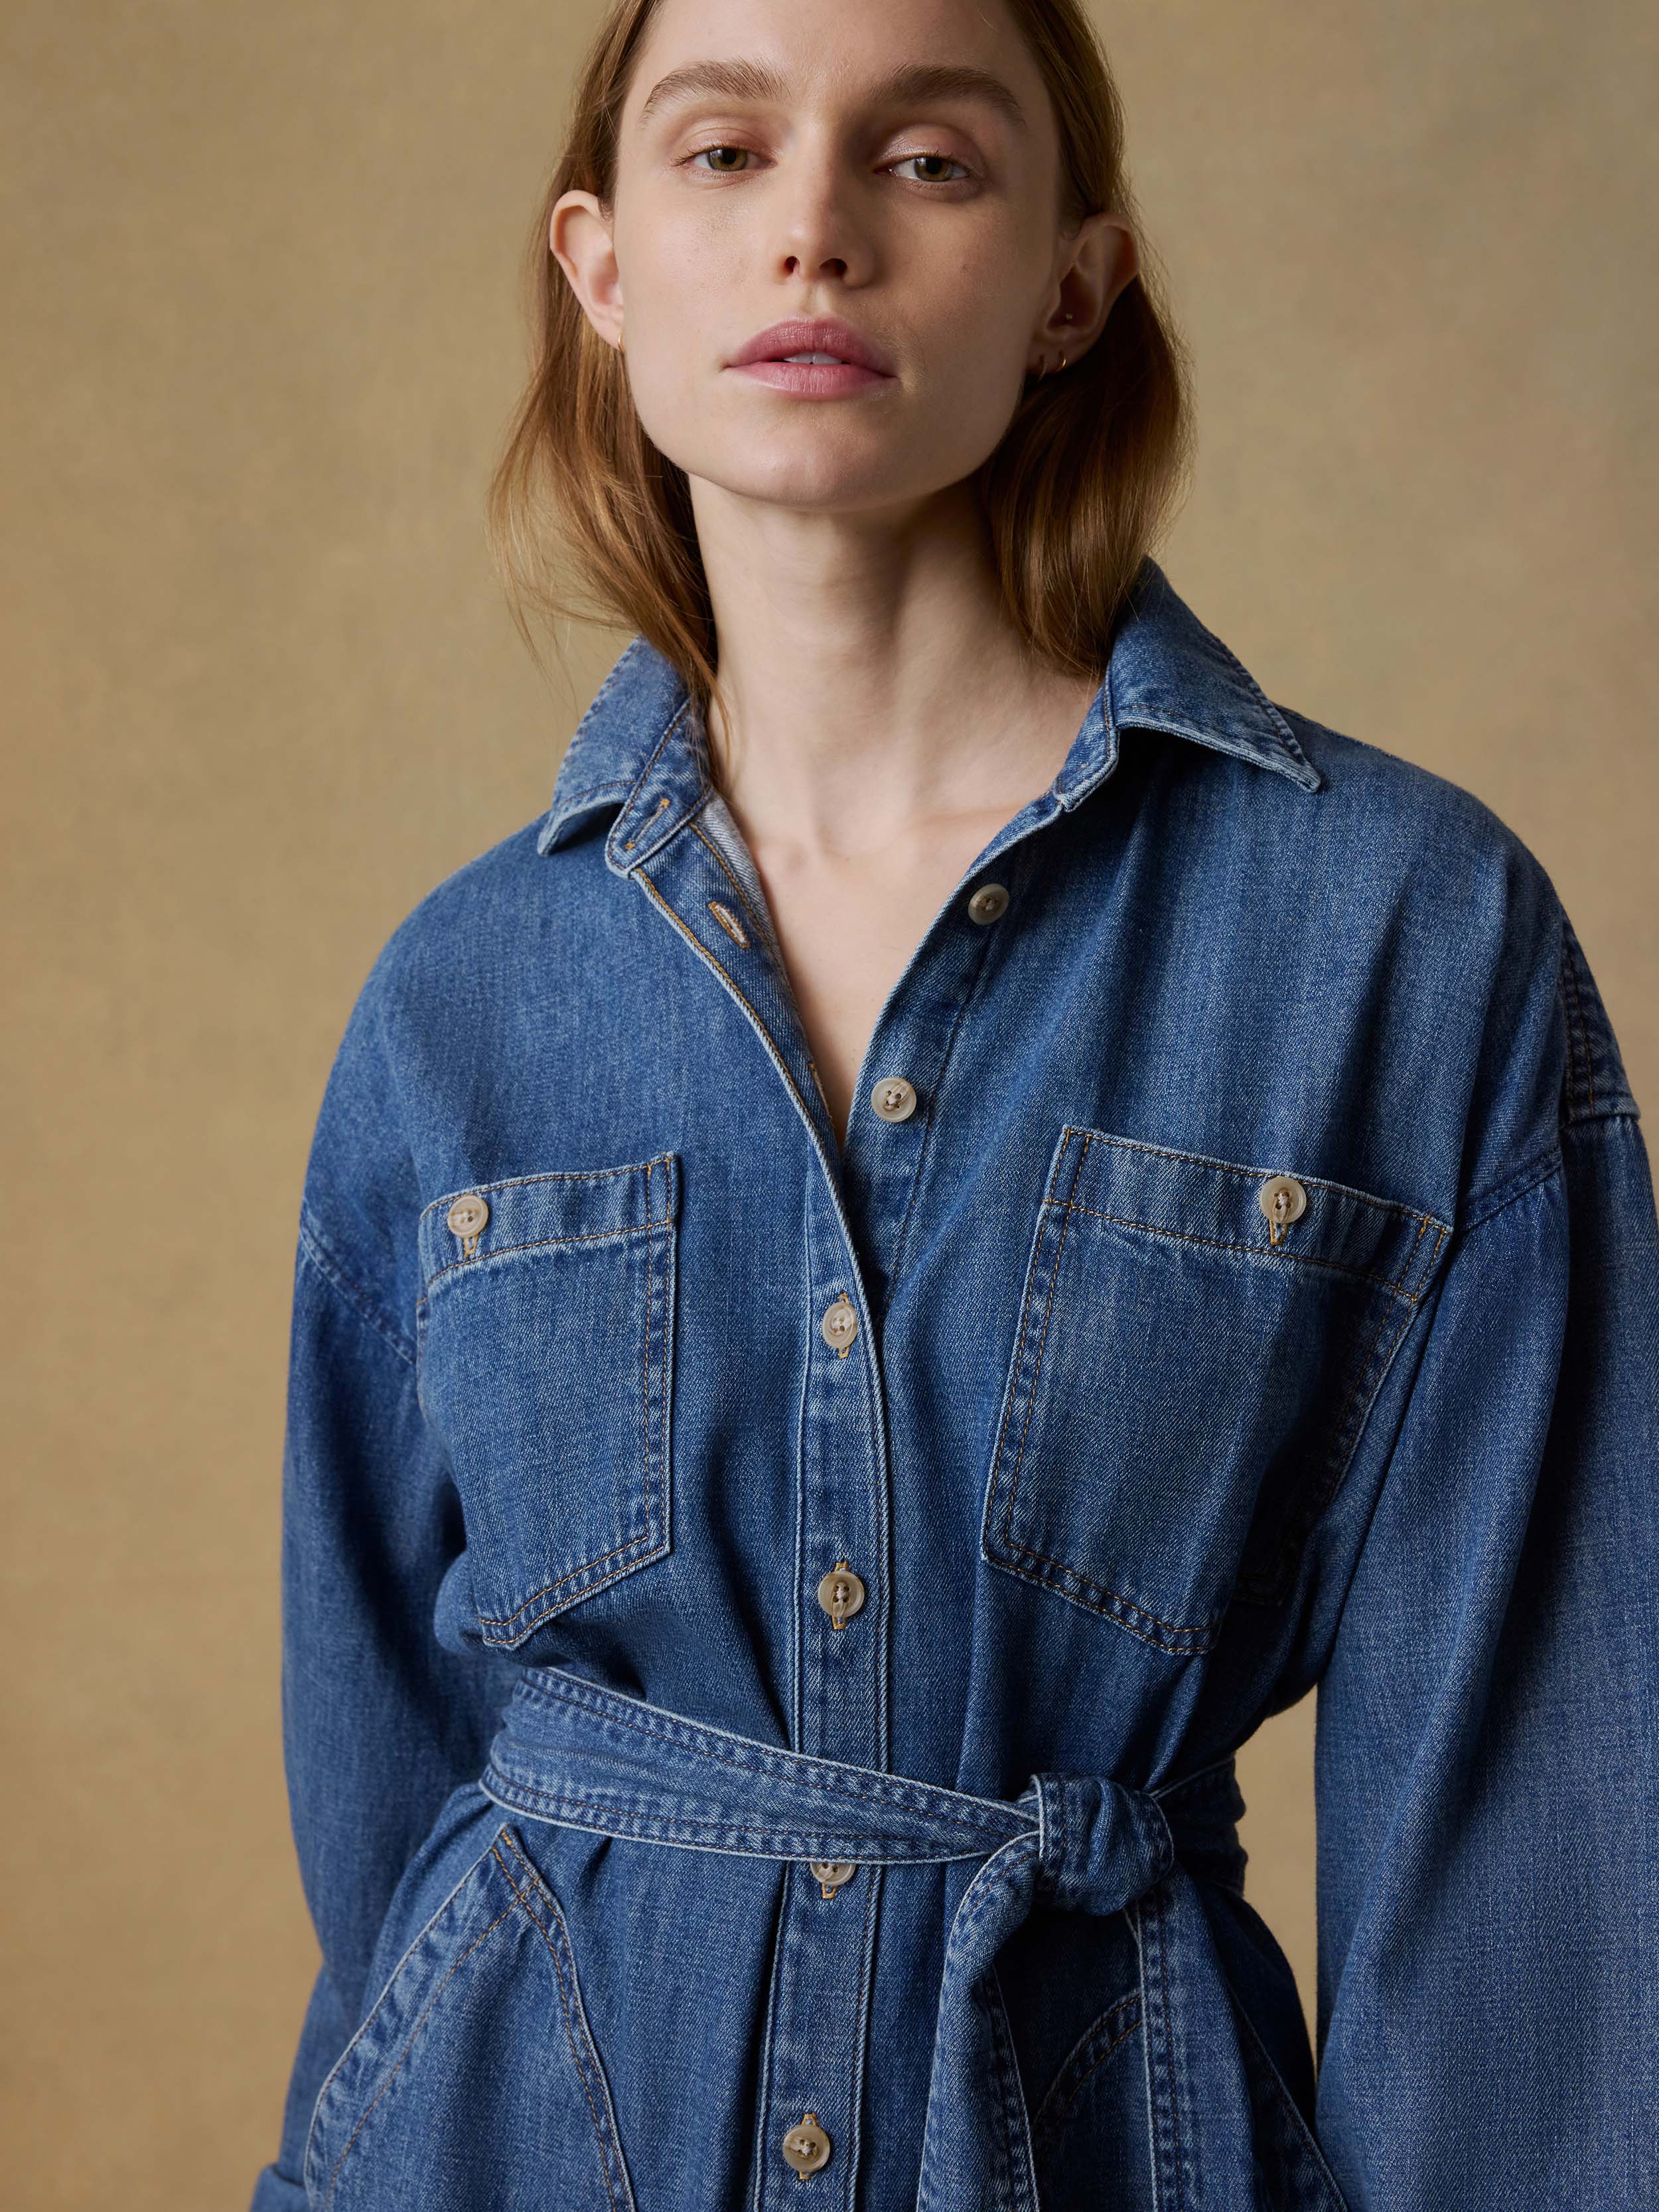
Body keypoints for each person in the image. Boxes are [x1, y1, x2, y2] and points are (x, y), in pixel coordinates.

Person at [249, 1, 1659, 2207]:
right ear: (599, 269)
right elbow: (392, 1805)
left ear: (1074, 285)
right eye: (723, 155)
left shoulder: (1398, 937)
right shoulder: (464, 1000)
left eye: (926, 162)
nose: (814, 231)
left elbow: (1529, 1847)